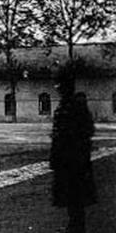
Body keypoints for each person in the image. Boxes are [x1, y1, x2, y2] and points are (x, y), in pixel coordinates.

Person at [51, 71, 96, 233]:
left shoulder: (74, 105)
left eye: (60, 85)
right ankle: (74, 225)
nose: (57, 88)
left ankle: (77, 227)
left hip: (73, 159)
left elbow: (87, 130)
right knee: (70, 195)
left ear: (67, 86)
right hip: (68, 158)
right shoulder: (67, 104)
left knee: (75, 195)